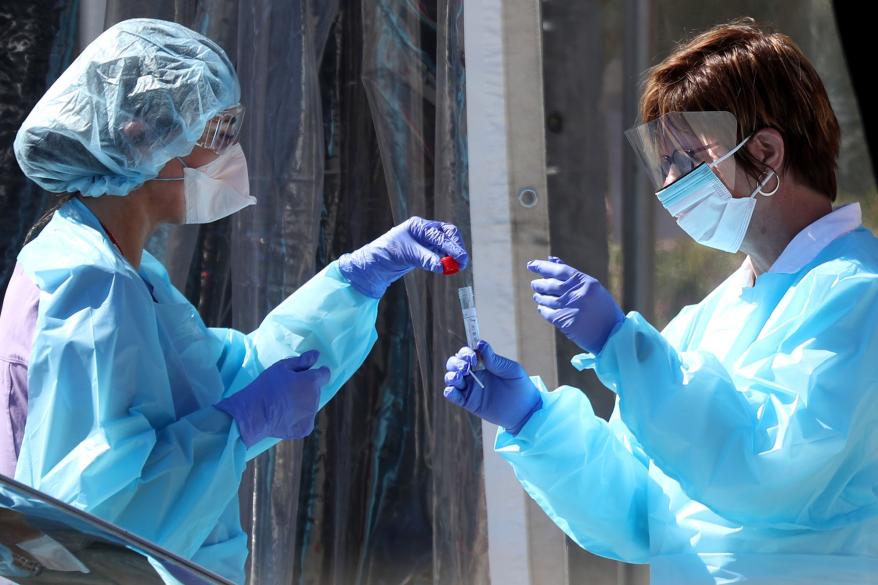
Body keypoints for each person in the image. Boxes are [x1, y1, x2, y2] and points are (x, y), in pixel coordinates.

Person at [0, 18, 468, 584]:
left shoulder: (123, 271)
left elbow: (223, 380)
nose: (230, 155)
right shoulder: (94, 286)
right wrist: (236, 426)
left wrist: (356, 281)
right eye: (216, 132)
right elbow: (89, 521)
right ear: (139, 137)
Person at [444, 18, 877, 585]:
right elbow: (637, 516)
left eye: (689, 157)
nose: (671, 181)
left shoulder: (858, 293)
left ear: (767, 151)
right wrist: (533, 420)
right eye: (663, 162)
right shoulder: (706, 319)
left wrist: (623, 347)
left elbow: (767, 469)